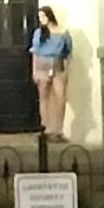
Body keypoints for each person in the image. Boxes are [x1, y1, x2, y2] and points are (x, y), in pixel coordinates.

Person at [29, 8, 75, 143]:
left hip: (57, 63)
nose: (41, 19)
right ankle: (46, 128)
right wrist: (34, 70)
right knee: (44, 97)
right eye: (39, 17)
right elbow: (35, 52)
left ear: (49, 16)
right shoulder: (39, 33)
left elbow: (68, 52)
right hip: (43, 64)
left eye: (43, 16)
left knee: (60, 97)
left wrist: (67, 70)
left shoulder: (63, 32)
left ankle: (58, 129)